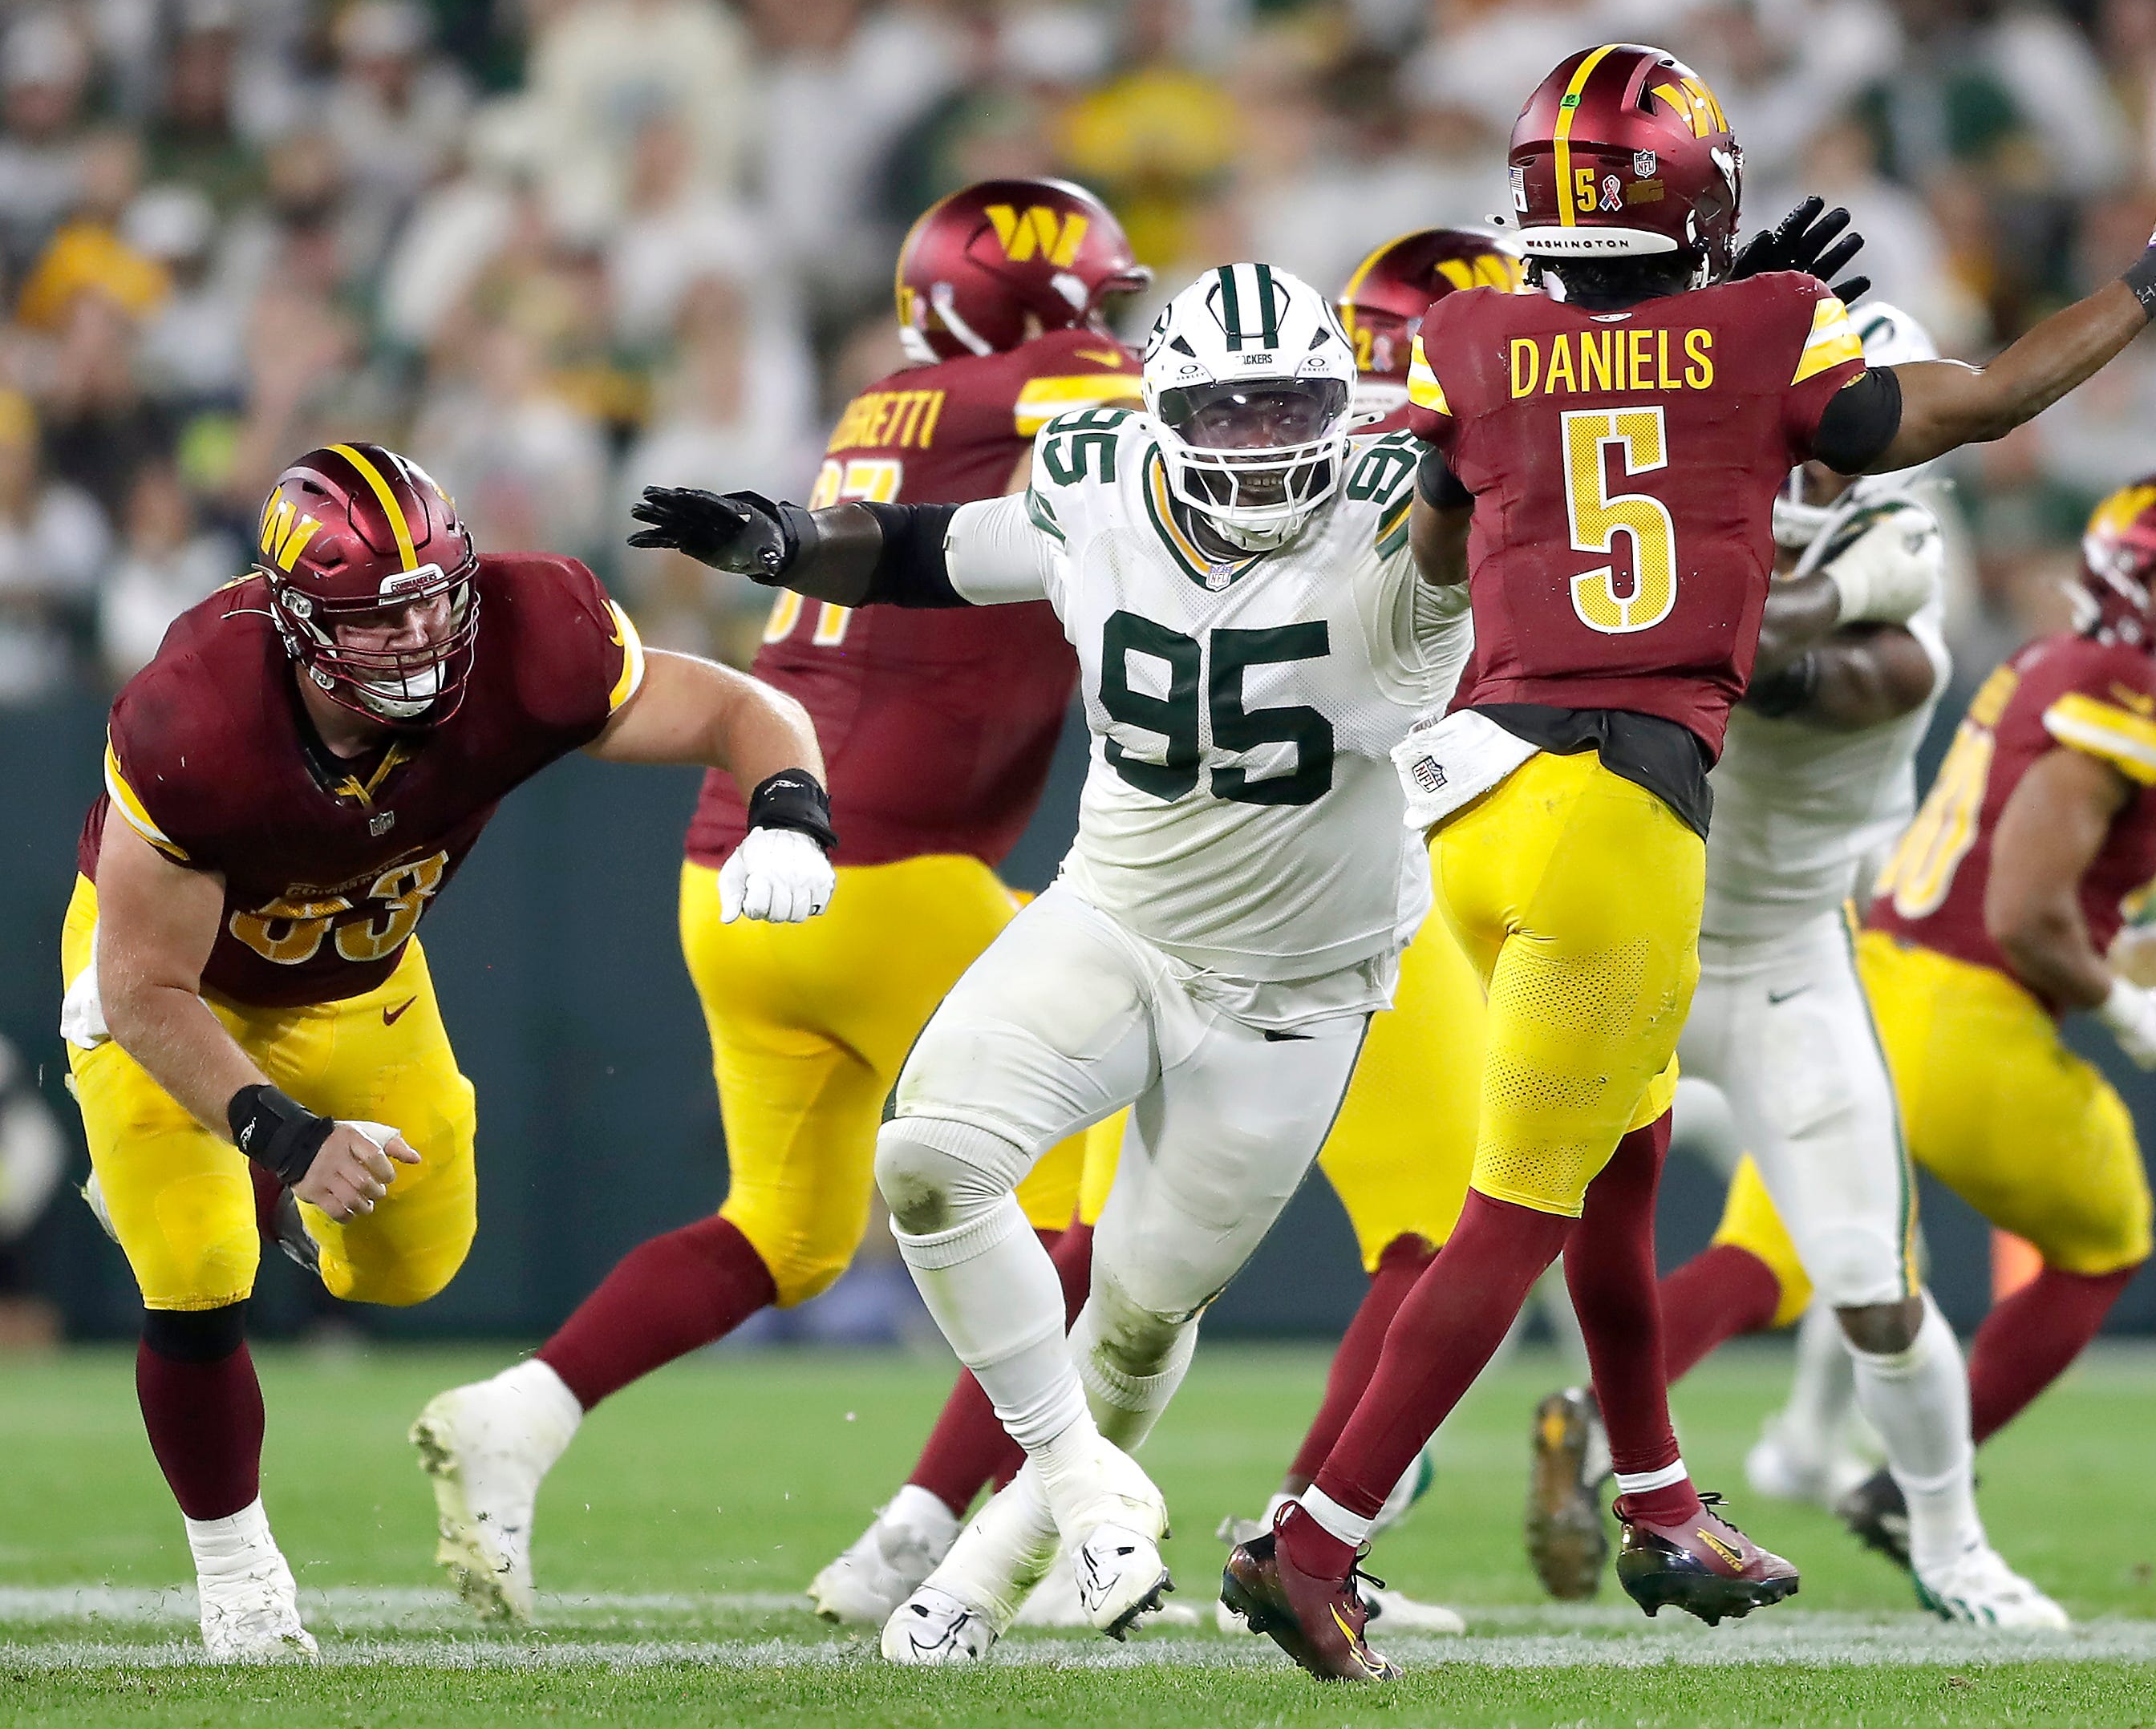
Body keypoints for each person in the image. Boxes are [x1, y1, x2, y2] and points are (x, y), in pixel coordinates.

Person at [1226, 42, 2156, 1682]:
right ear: (1698, 190)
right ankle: (1316, 1535)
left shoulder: (1470, 330)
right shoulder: (1764, 331)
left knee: (1621, 1175)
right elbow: (1984, 397)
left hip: (1473, 805)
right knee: (1518, 1213)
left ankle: (1660, 1498)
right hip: (1619, 821)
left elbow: (1437, 539)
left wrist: (1628, 402)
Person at [634, 261, 1475, 1662]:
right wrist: (789, 541)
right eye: (1233, 409)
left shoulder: (1410, 511)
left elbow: (1551, 475)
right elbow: (926, 551)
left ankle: (969, 1580)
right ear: (1163, 411)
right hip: (1117, 919)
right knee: (925, 1163)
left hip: (1299, 992)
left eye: (1292, 410)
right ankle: (1086, 1490)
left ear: (1347, 411)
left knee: (1139, 1325)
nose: (1263, 441)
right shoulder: (1096, 479)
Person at [411, 179, 1151, 1624]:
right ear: (1043, 310)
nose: (1111, 327)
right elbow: (1173, 433)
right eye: (1094, 301)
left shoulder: (892, 402)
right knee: (1098, 1202)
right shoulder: (1054, 382)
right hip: (894, 869)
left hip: (740, 866)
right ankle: (941, 1534)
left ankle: (527, 1412)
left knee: (786, 1233)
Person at [61, 442, 837, 1662]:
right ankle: (240, 1575)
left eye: (438, 596)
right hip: (174, 990)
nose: (423, 635)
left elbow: (748, 708)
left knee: (412, 1265)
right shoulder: (194, 716)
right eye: (381, 617)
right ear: (296, 619)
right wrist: (283, 1130)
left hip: (362, 980)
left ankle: (256, 1188)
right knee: (197, 1262)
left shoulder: (533, 636)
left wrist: (790, 811)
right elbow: (143, 985)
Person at [1534, 302, 2065, 1630]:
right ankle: (1364, 1505)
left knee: (1874, 1292)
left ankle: (1951, 1542)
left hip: (1778, 963)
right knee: (1466, 1234)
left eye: (1844, 431)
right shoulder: (1680, 496)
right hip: (1626, 949)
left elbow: (1808, 653)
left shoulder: (1891, 559)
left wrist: (1674, 571)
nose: (1819, 457)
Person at [1759, 467, 2156, 1567]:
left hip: (1874, 976)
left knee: (1770, 1254)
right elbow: (2026, 911)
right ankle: (1915, 1488)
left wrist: (2104, 951)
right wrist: (2121, 997)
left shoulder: (2050, 661)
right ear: (2128, 579)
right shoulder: (2127, 694)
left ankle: (1630, 1441)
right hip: (1967, 1006)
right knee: (2108, 1235)